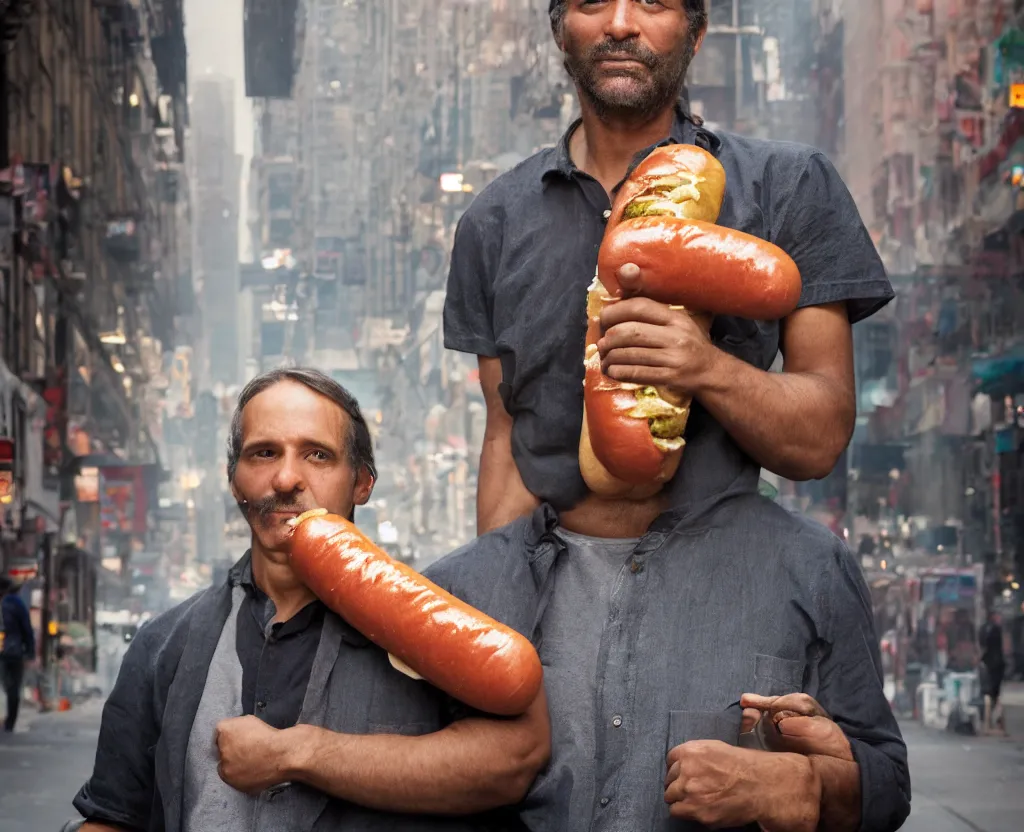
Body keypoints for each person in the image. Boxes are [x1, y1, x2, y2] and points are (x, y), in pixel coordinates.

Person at [444, 0, 893, 538]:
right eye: (592, 3)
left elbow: (820, 439)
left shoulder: (788, 187)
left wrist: (705, 368)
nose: (619, 23)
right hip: (551, 589)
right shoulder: (493, 221)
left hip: (724, 584)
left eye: (652, 3)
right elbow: (505, 443)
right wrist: (492, 594)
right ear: (560, 32)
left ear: (696, 34)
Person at [71, 368, 548, 832]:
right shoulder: (164, 646)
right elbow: (114, 817)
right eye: (263, 453)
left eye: (317, 455)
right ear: (234, 479)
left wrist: (297, 754)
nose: (285, 479)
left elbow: (511, 764)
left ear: (363, 481)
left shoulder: (432, 626)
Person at [1, 575, 35, 732]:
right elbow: (27, 630)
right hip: (13, 651)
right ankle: (10, 722)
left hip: (6, 652)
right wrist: (30, 651)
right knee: (13, 688)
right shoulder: (17, 604)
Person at [979, 610, 1007, 736]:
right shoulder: (995, 629)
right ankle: (994, 719)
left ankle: (990, 719)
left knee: (990, 692)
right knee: (994, 692)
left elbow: (983, 644)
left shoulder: (985, 628)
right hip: (995, 663)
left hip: (990, 662)